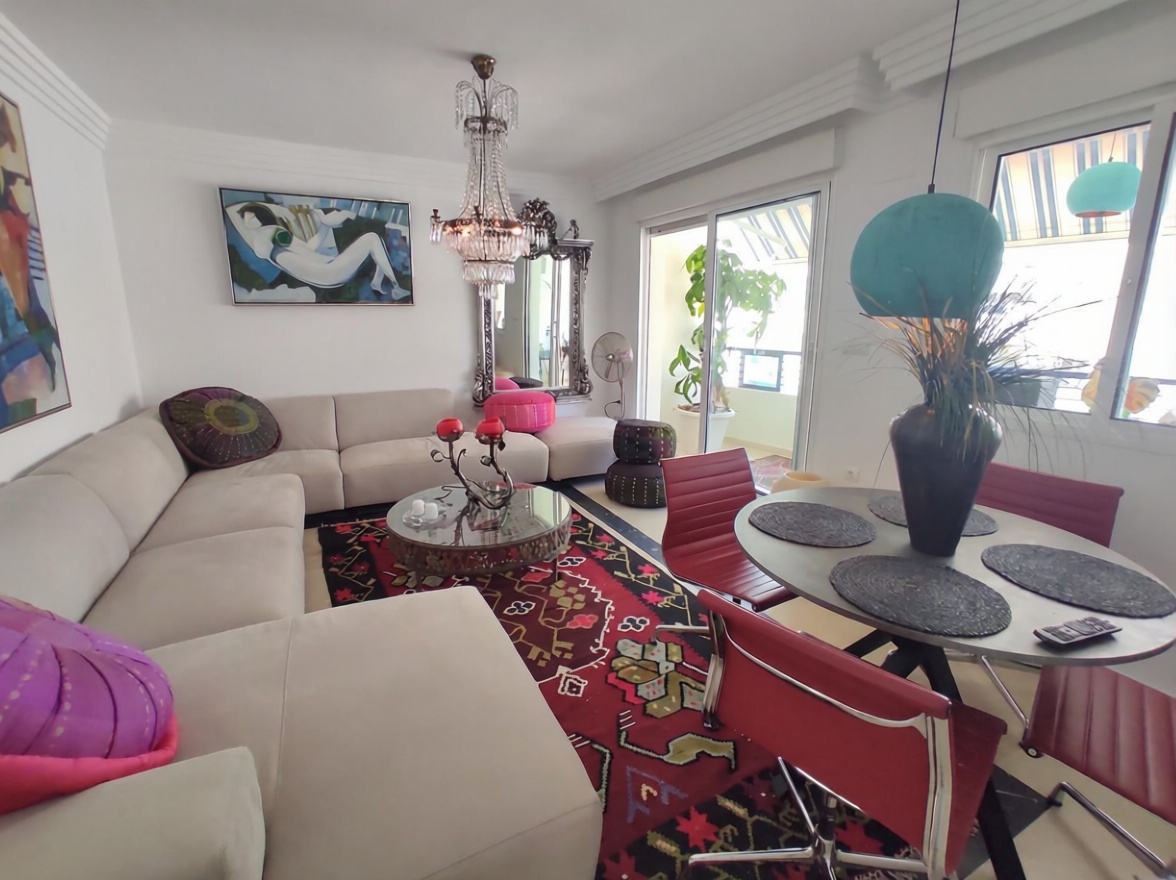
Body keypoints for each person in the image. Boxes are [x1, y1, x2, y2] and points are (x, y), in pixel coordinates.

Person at [227, 201, 406, 299]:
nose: (248, 222)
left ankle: (378, 282)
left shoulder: (273, 235)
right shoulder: (271, 235)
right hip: (328, 271)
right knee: (372, 238)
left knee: (373, 240)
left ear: (261, 218)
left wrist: (325, 226)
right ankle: (395, 286)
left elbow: (309, 249)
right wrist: (326, 225)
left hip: (326, 271)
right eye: (246, 219)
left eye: (251, 217)